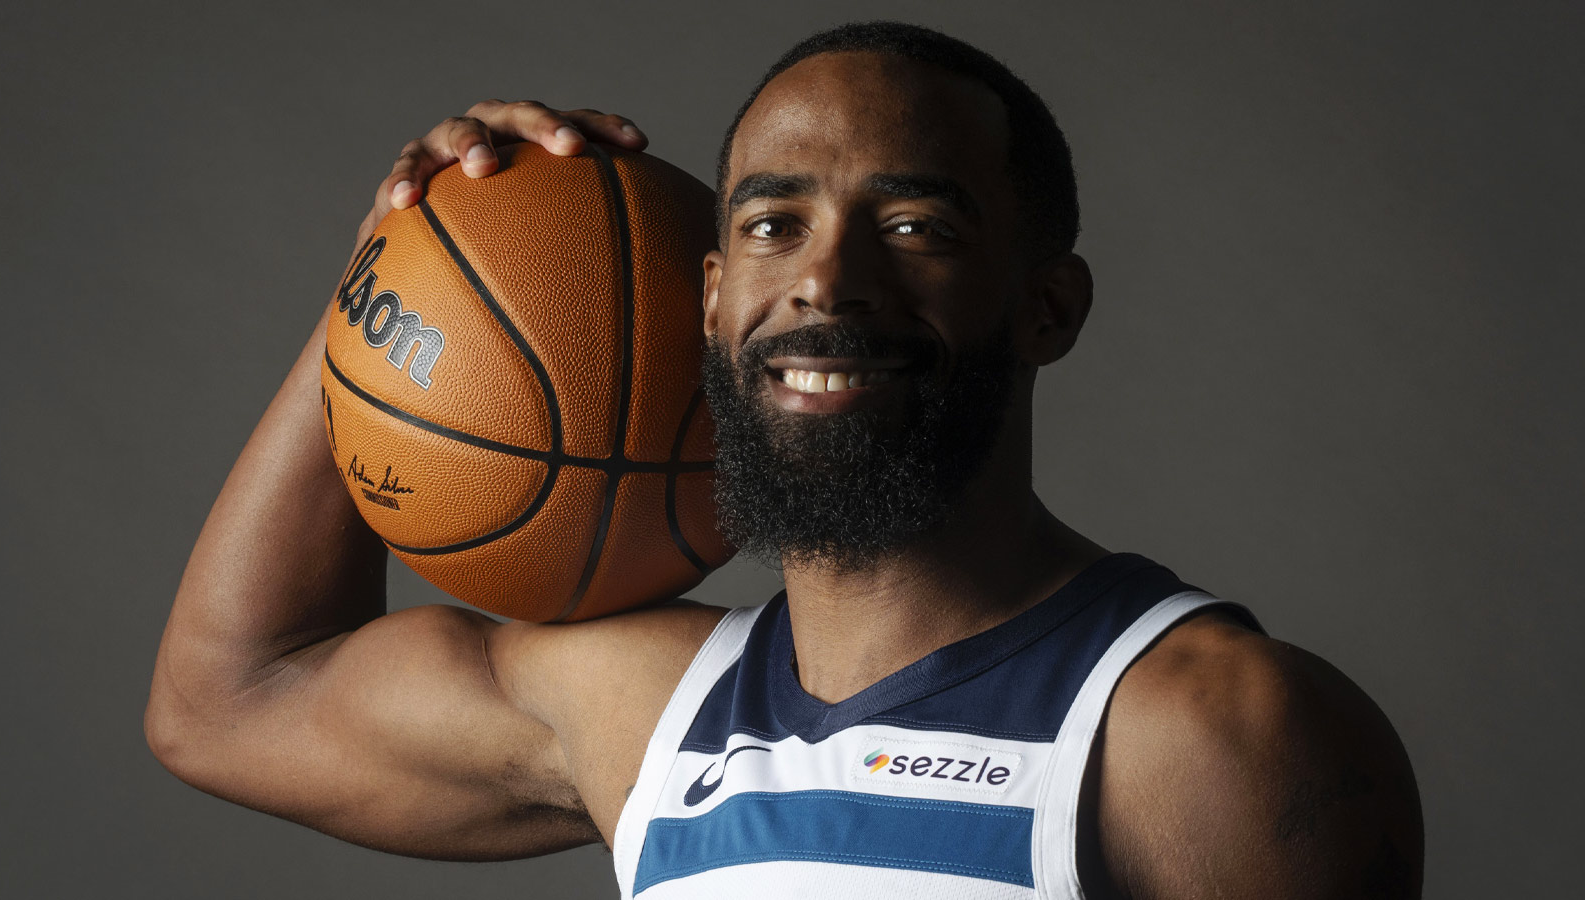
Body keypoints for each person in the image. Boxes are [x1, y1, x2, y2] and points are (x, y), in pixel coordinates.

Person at [146, 21, 1423, 899]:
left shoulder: (1209, 730)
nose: (824, 279)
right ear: (710, 298)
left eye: (913, 224)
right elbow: (229, 703)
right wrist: (402, 268)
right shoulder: (647, 713)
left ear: (1047, 307)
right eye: (773, 222)